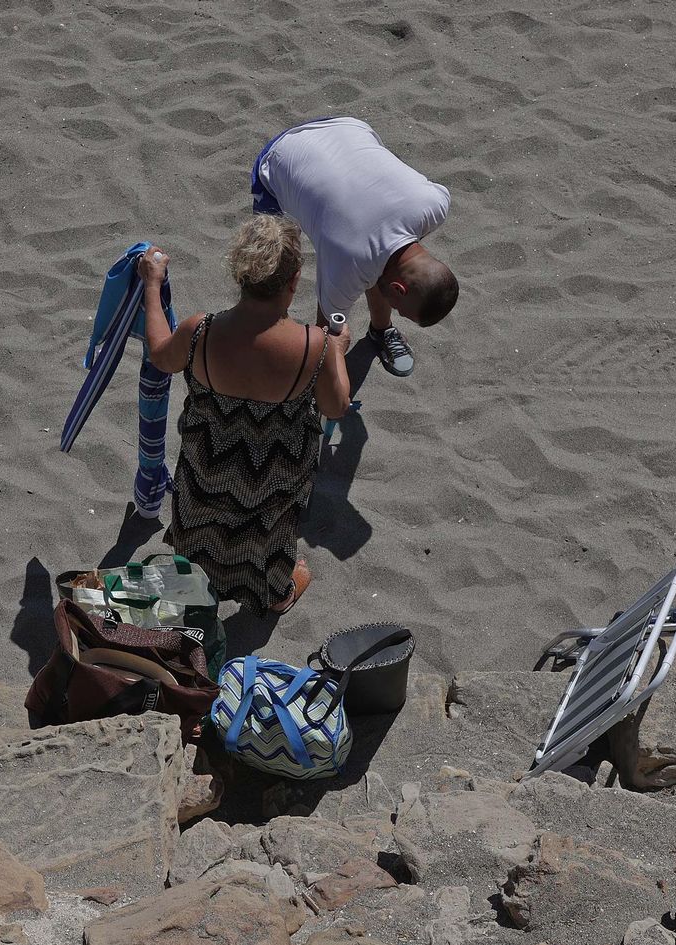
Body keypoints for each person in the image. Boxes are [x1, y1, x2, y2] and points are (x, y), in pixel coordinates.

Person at [138, 217, 351, 614]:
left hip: (205, 473)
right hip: (274, 480)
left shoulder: (199, 331)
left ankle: (197, 588)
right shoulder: (312, 345)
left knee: (198, 523)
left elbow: (160, 355)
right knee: (271, 532)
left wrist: (152, 284)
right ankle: (275, 593)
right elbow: (335, 407)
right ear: (293, 281)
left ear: (240, 274)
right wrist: (337, 350)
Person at [250, 116, 456, 378]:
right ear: (399, 290)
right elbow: (326, 336)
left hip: (347, 128)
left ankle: (380, 330)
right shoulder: (347, 267)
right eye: (399, 308)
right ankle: (271, 337)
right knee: (272, 269)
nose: (397, 308)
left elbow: (388, 254)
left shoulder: (435, 205)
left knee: (384, 264)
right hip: (278, 158)